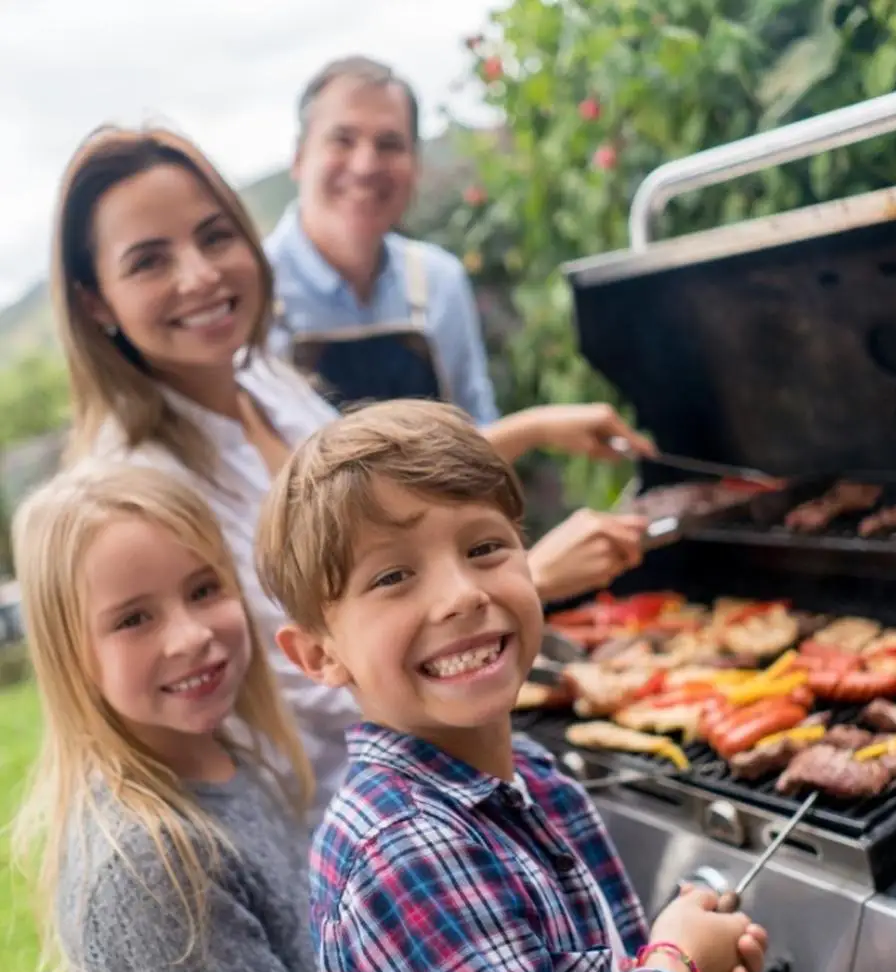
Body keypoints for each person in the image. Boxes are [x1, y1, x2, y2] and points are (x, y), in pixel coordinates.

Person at [53, 124, 653, 819]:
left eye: (215, 236)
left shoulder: (263, 382)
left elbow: (375, 504)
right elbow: (296, 683)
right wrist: (527, 580)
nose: (200, 274)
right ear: (95, 301)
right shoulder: (137, 489)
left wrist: (529, 430)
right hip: (351, 811)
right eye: (149, 262)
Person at [255, 399, 768, 972]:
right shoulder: (407, 852)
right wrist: (678, 963)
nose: (462, 595)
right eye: (393, 577)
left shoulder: (531, 776)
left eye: (484, 549)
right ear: (319, 655)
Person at [9, 462, 320, 972]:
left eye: (204, 589)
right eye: (133, 619)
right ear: (69, 654)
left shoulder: (220, 753)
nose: (191, 635)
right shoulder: (154, 868)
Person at [266, 55, 498, 421]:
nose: (365, 166)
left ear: (416, 165)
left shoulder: (439, 281)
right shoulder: (250, 294)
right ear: (298, 157)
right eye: (342, 139)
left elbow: (478, 429)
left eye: (389, 144)